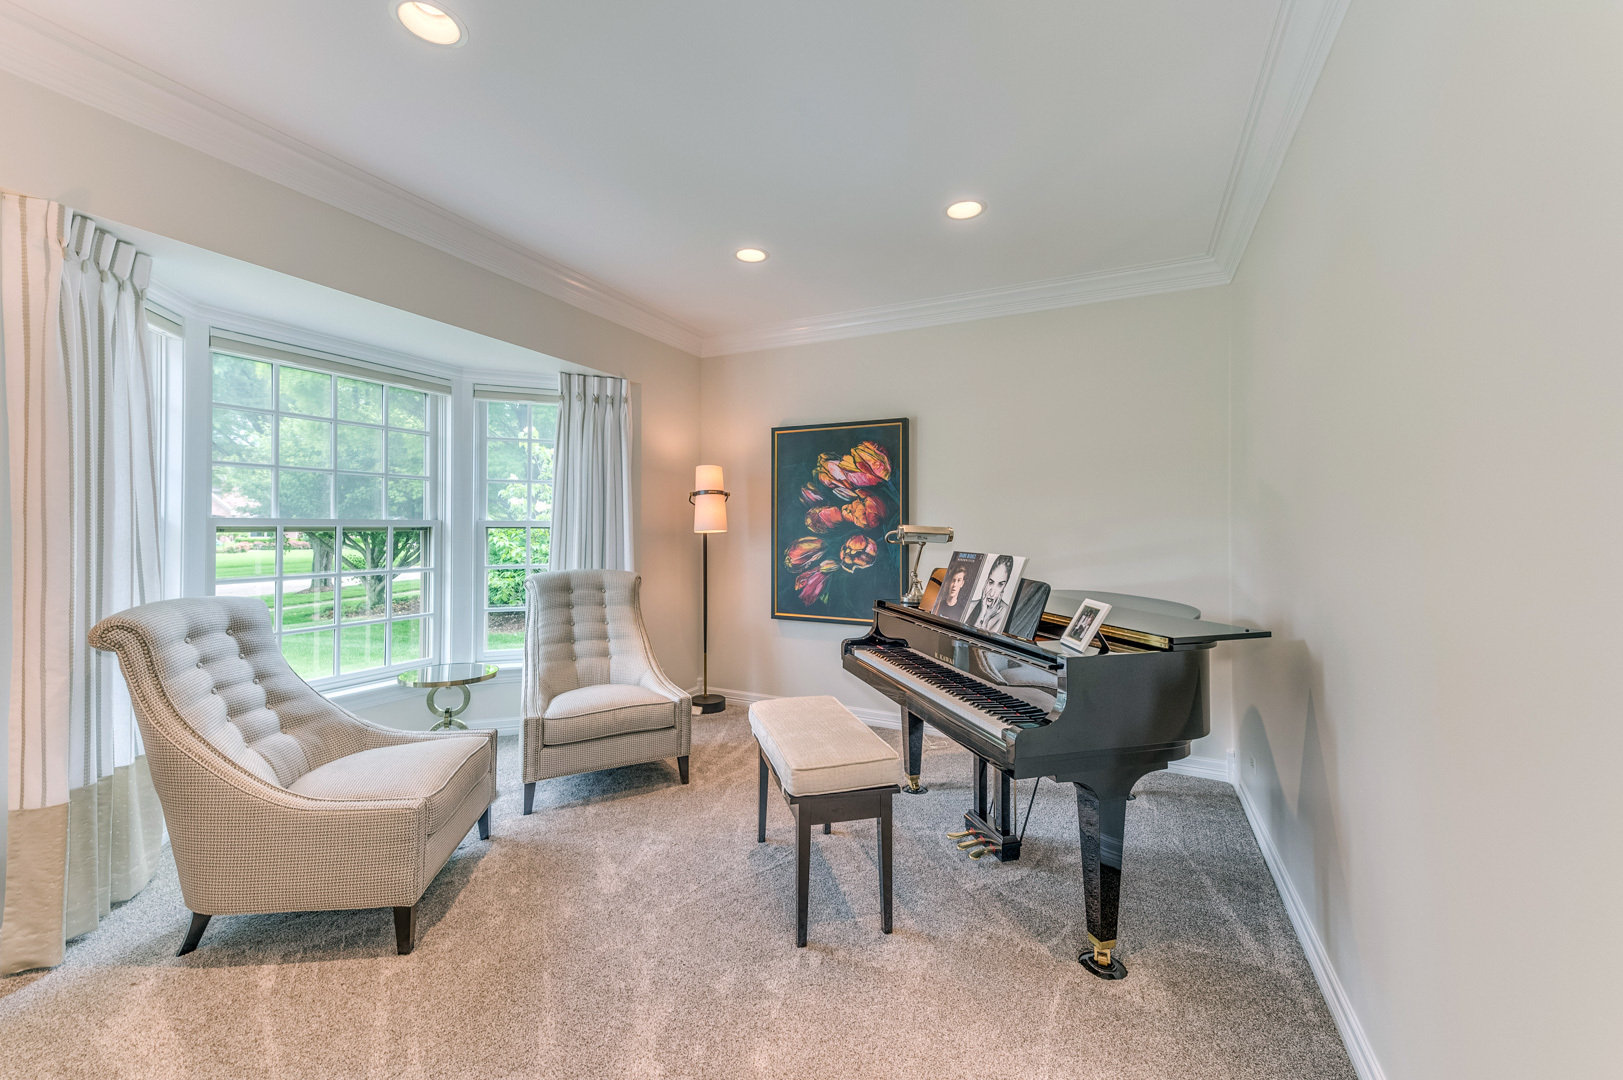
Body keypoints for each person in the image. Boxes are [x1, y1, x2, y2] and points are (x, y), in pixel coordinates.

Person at [967, 554, 1015, 632]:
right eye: (991, 582)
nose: (992, 593)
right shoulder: (970, 606)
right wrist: (983, 613)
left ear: (1005, 585)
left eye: (1000, 584)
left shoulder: (1006, 613)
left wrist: (986, 619)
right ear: (986, 581)